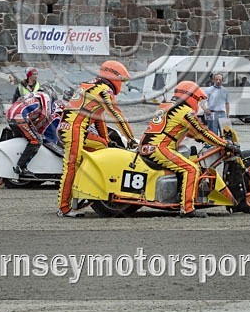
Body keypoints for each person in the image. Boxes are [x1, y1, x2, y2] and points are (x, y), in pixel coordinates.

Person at [138, 80, 234, 218]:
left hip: (147, 146)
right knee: (191, 169)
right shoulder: (184, 111)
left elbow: (177, 129)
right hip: (159, 148)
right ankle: (187, 209)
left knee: (187, 158)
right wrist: (224, 143)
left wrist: (196, 136)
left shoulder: (166, 106)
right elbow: (202, 131)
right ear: (191, 97)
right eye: (198, 99)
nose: (198, 104)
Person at [57, 60, 136, 217]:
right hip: (74, 129)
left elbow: (99, 119)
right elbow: (116, 114)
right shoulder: (104, 90)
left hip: (70, 128)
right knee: (71, 165)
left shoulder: (91, 85)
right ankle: (64, 208)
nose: (122, 85)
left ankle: (88, 186)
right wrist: (131, 139)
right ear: (115, 77)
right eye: (122, 81)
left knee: (101, 147)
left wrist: (107, 141)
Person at [6, 91, 57, 178]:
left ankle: (12, 164)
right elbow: (45, 115)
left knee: (26, 139)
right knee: (36, 140)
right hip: (20, 117)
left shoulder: (32, 96)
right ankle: (21, 167)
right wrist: (37, 130)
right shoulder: (45, 96)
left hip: (11, 116)